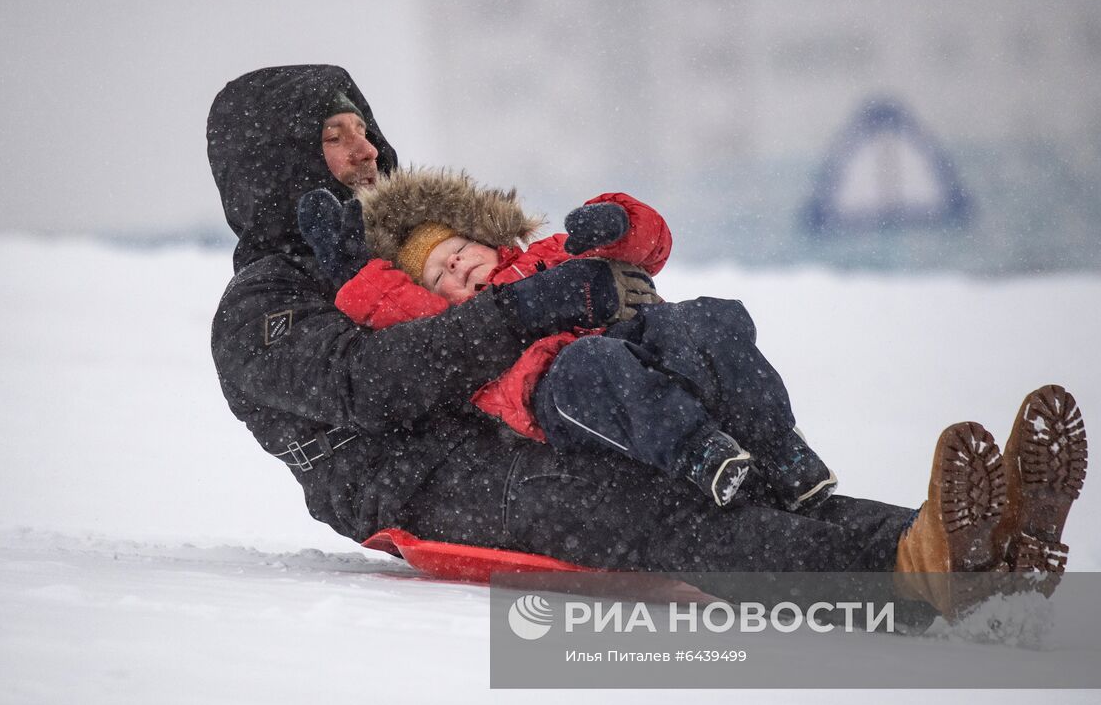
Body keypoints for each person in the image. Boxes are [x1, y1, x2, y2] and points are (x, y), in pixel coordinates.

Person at [206, 64, 1087, 623]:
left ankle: (967, 551)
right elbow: (371, 384)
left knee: (746, 469)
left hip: (539, 415)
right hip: (441, 491)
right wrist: (528, 314)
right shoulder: (259, 308)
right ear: (278, 161)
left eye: (364, 125)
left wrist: (590, 277)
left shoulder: (406, 243)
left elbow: (516, 275)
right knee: (679, 523)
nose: (367, 149)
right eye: (335, 134)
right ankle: (911, 583)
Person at [298, 166, 834, 511]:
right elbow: (394, 307)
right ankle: (700, 454)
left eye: (458, 249)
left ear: (484, 236)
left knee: (712, 318)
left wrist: (619, 222)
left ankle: (780, 449)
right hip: (556, 384)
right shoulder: (459, 322)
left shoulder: (550, 253)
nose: (456, 266)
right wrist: (352, 271)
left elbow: (646, 249)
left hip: (638, 339)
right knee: (595, 363)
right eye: (440, 274)